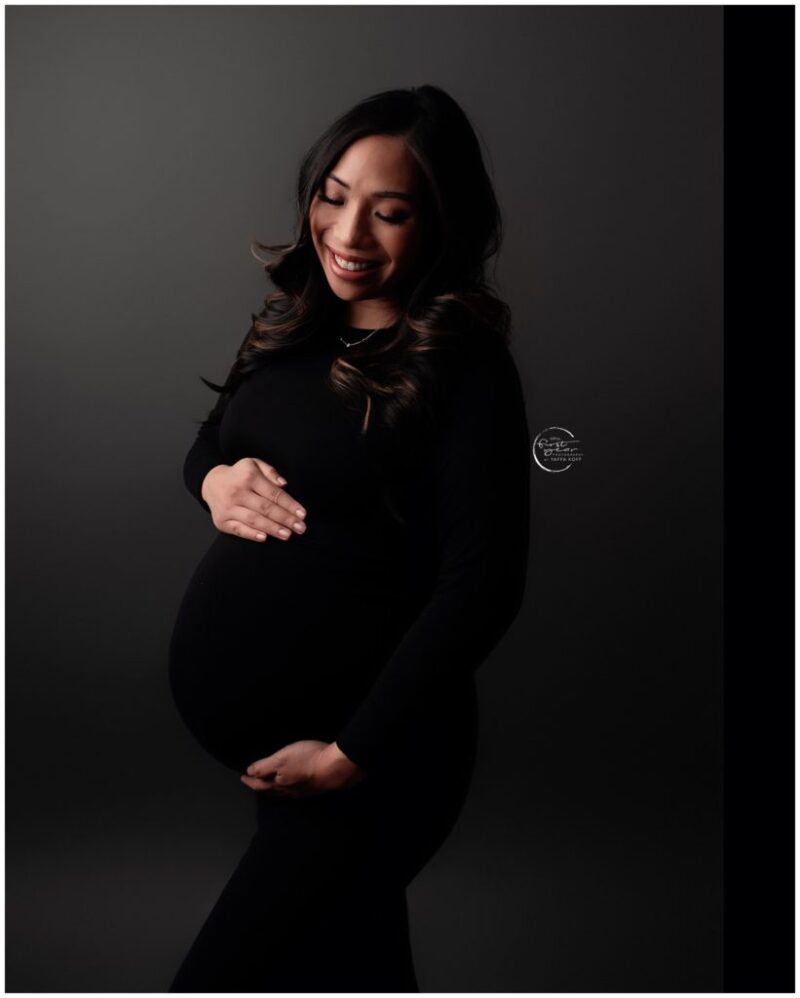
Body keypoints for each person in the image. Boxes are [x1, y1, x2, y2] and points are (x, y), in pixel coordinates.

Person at [167, 83, 531, 992]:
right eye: (334, 196)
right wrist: (213, 481)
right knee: (357, 966)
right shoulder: (298, 317)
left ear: (440, 223)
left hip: (376, 764)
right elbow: (214, 440)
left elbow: (482, 585)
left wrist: (350, 755)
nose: (350, 234)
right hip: (296, 764)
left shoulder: (465, 369)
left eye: (391, 212)